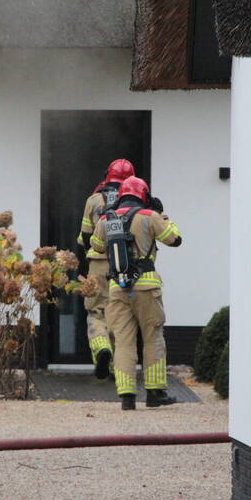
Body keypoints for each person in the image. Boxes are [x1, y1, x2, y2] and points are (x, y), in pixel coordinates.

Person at [90, 176, 182, 410]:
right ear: (144, 195)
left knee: (123, 342)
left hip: (117, 289)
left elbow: (97, 246)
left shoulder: (106, 219)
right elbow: (174, 239)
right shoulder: (149, 217)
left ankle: (127, 397)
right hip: (146, 287)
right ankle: (154, 393)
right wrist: (163, 215)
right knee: (153, 338)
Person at [79, 158, 135, 379]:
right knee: (120, 313)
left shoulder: (93, 200)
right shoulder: (134, 203)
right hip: (125, 264)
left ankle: (102, 348)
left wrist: (88, 259)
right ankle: (115, 367)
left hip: (98, 262)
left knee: (96, 311)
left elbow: (84, 235)